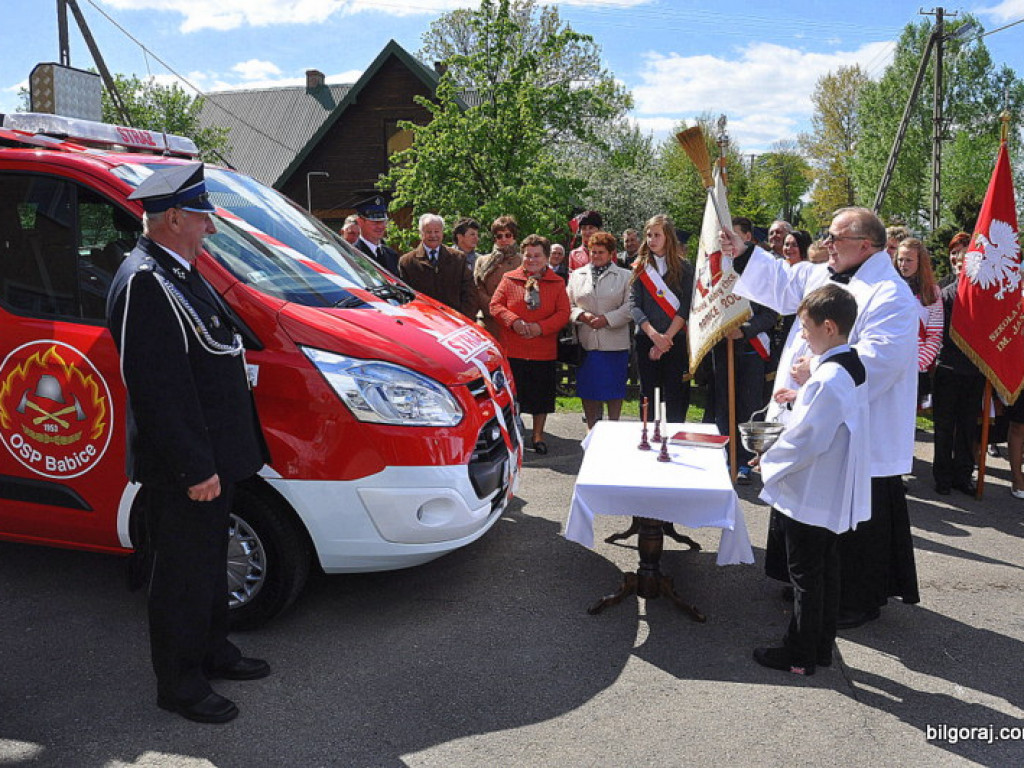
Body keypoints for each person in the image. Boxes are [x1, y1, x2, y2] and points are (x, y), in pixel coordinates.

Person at [106, 163, 271, 724]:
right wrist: (195, 467)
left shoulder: (179, 268)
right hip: (186, 465)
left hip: (213, 455)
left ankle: (212, 653)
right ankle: (178, 684)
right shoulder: (145, 280)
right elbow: (157, 392)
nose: (212, 229)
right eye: (203, 217)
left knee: (208, 562)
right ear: (173, 217)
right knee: (180, 573)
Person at [725, 206, 919, 630]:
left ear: (864, 245)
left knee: (850, 521)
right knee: (804, 501)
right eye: (827, 237)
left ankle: (853, 599)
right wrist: (741, 252)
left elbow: (879, 361)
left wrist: (813, 375)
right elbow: (779, 283)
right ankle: (801, 580)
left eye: (835, 237)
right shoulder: (822, 273)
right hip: (807, 409)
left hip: (856, 427)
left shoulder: (892, 295)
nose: (826, 243)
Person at [753, 284, 869, 676]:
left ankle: (799, 655)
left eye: (806, 327)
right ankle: (819, 647)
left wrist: (765, 457)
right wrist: (799, 397)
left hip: (811, 491)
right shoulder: (847, 365)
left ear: (830, 327)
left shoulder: (828, 379)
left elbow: (807, 440)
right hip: (829, 488)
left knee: (805, 577)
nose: (802, 335)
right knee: (825, 572)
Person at [708, 217, 778, 484]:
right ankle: (725, 457)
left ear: (747, 238)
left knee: (749, 407)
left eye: (734, 236)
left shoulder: (763, 270)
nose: (727, 242)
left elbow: (771, 314)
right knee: (724, 406)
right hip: (723, 348)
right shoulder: (718, 268)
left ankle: (745, 462)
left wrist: (745, 329)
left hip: (751, 349)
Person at [489, 235, 570, 454]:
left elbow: (564, 313)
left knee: (540, 398)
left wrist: (540, 328)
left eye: (537, 256)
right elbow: (495, 305)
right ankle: (514, 435)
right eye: (528, 255)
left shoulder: (557, 282)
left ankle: (538, 435)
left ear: (546, 258)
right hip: (513, 348)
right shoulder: (509, 278)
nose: (532, 260)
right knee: (513, 397)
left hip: (543, 350)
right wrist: (513, 322)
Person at [628, 214, 694, 423]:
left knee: (675, 392)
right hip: (646, 338)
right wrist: (655, 336)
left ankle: (674, 441)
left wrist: (666, 339)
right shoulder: (639, 267)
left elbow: (685, 307)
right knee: (648, 393)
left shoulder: (684, 267)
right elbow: (634, 305)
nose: (652, 240)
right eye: (648, 235)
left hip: (675, 339)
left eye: (657, 235)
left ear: (668, 237)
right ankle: (648, 437)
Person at [932, 240, 984, 496]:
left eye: (965, 260)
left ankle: (962, 475)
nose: (959, 263)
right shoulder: (945, 293)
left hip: (974, 372)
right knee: (944, 427)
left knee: (967, 427)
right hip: (948, 369)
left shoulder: (985, 295)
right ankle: (942, 476)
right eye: (956, 258)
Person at [567, 231, 632, 428]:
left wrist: (607, 319)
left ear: (612, 253)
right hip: (587, 343)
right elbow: (567, 303)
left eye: (600, 252)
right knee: (588, 390)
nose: (595, 256)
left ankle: (613, 428)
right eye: (592, 252)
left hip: (615, 345)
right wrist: (581, 316)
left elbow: (630, 307)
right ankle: (591, 429)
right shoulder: (577, 275)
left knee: (614, 390)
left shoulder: (625, 276)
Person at [399, 213, 477, 320]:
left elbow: (470, 293)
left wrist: (464, 319)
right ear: (421, 233)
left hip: (455, 321)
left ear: (442, 233)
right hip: (424, 322)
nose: (433, 235)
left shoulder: (458, 258)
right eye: (428, 232)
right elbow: (406, 298)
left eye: (436, 231)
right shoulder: (407, 262)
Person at [896, 238, 942, 410]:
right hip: (890, 363)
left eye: (909, 260)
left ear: (919, 262)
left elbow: (934, 334)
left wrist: (919, 364)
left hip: (916, 367)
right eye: (900, 259)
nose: (903, 264)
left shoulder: (932, 293)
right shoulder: (888, 286)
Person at [474, 215, 522, 337]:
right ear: (494, 239)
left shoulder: (522, 261)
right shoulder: (483, 260)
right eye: (499, 236)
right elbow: (477, 288)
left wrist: (507, 313)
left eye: (508, 235)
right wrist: (494, 307)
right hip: (488, 319)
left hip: (514, 321)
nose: (504, 239)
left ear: (514, 237)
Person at [353, 195, 399, 273]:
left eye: (383, 221)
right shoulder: (353, 255)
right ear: (360, 221)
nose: (380, 226)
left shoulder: (391, 255)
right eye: (375, 222)